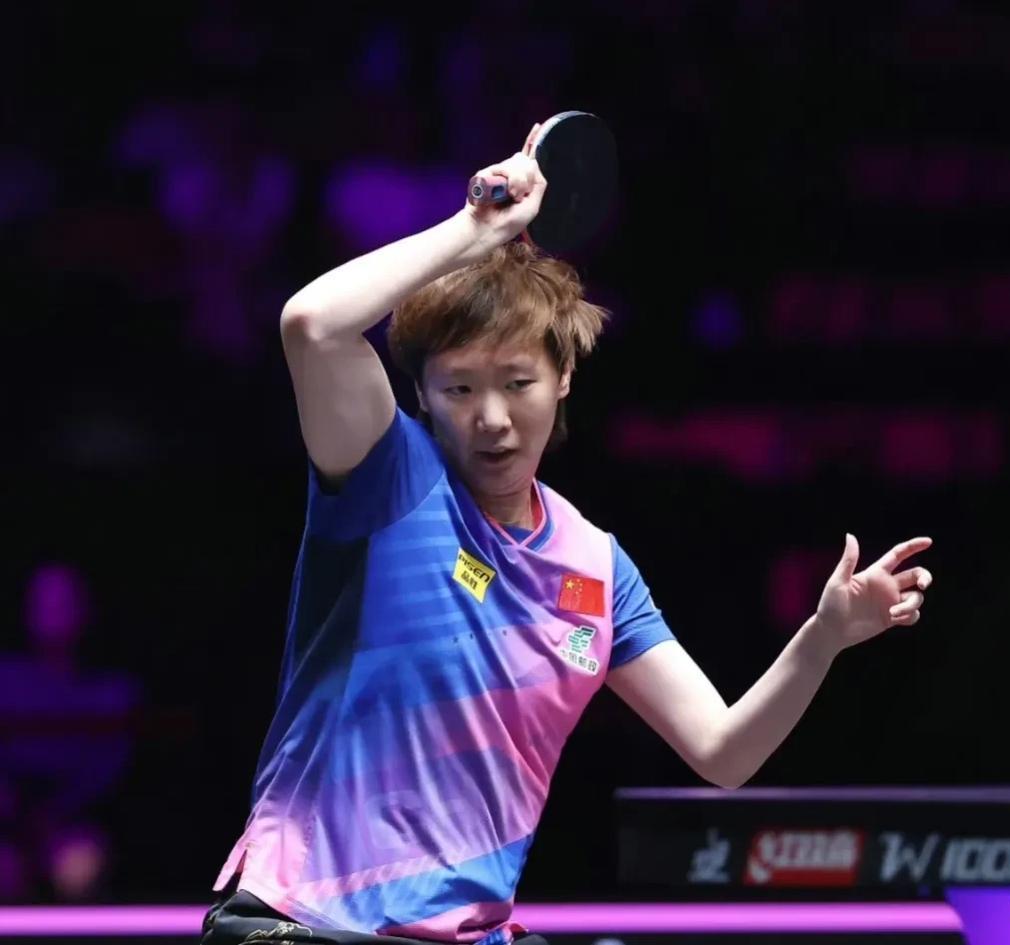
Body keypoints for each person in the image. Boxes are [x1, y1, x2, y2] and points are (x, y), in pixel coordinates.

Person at [202, 123, 933, 945]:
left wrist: (824, 635)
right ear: (422, 395)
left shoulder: (594, 566)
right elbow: (312, 323)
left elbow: (723, 751)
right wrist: (476, 230)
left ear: (564, 376)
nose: (491, 418)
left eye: (518, 382)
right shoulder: (389, 480)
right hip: (305, 924)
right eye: (459, 389)